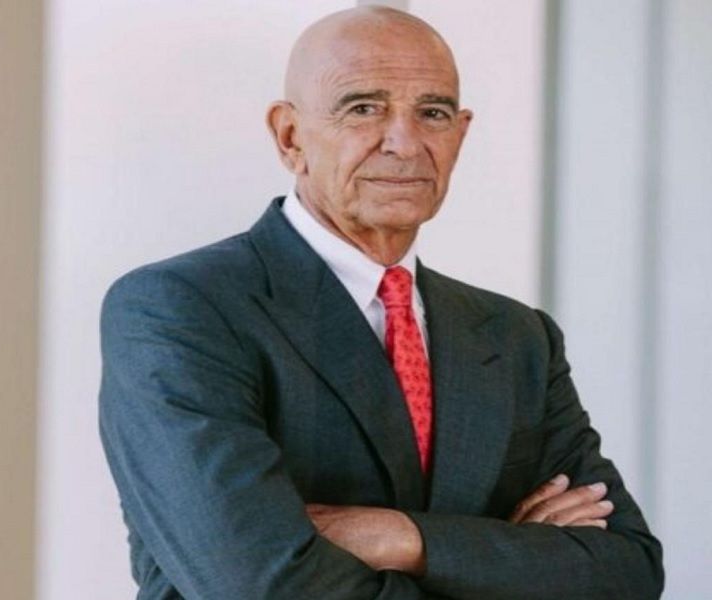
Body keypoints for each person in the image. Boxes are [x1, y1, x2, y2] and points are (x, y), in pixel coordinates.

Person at [98, 7, 663, 599]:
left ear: (461, 133)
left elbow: (627, 571)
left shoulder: (518, 337)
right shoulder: (181, 310)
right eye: (363, 108)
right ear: (290, 136)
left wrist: (401, 538)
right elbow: (261, 586)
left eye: (433, 113)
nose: (404, 143)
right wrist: (506, 553)